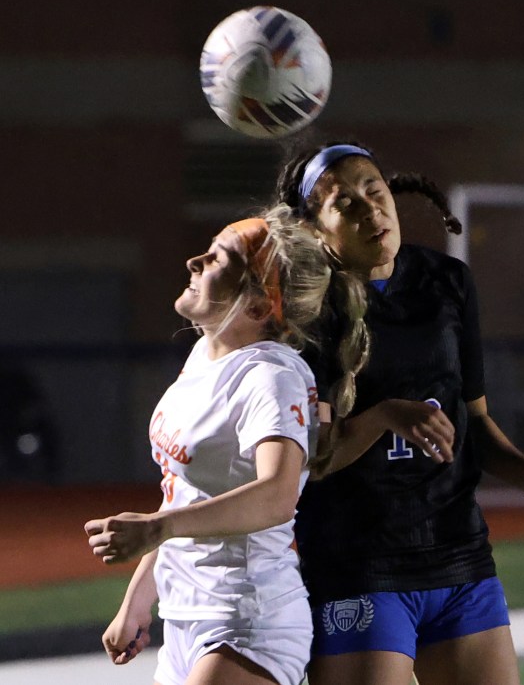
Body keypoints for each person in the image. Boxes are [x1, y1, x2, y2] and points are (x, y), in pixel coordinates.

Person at [274, 141, 524, 685]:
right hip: (358, 567)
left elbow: (473, 422)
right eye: (345, 204)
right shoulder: (309, 314)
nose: (370, 209)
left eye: (374, 191)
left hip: (459, 556)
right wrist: (385, 416)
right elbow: (314, 462)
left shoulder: (447, 282)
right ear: (316, 230)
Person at [84, 203, 369, 685]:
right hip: (186, 616)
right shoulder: (203, 357)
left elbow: (277, 495)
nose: (195, 261)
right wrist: (138, 599)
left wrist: (157, 528)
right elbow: (183, 491)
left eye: (217, 259)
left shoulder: (269, 376)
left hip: (247, 618)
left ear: (257, 307)